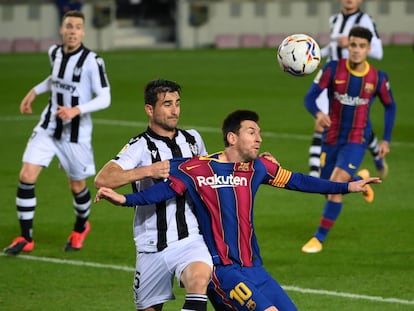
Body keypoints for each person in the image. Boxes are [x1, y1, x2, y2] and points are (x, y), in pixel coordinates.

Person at [95, 109, 381, 311]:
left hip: (255, 268)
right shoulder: (197, 168)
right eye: (251, 132)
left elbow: (299, 181)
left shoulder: (258, 168)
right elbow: (163, 191)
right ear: (232, 138)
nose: (259, 139)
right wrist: (124, 201)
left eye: (259, 133)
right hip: (223, 271)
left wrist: (348, 187)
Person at [94, 79, 213, 311]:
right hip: (151, 246)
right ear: (150, 109)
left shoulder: (193, 140)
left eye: (177, 103)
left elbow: (211, 175)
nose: (175, 110)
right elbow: (103, 178)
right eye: (167, 104)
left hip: (190, 239)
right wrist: (148, 170)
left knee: (199, 281)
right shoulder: (139, 146)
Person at [4, 10, 111, 255]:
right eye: (68, 26)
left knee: (77, 186)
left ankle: (81, 228)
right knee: (27, 175)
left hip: (76, 133)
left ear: (83, 32)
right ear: (61, 29)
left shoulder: (92, 61)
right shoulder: (54, 52)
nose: (72, 31)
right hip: (48, 126)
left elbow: (105, 97)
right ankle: (25, 237)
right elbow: (55, 79)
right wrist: (34, 91)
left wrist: (77, 109)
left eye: (77, 27)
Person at [301, 26, 396, 254]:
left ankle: (318, 238)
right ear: (348, 46)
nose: (356, 50)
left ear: (368, 49)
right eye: (353, 45)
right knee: (326, 187)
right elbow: (309, 97)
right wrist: (318, 113)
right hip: (332, 137)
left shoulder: (377, 78)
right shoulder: (333, 69)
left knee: (334, 190)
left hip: (357, 139)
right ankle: (359, 180)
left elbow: (390, 106)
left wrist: (386, 140)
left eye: (361, 46)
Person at [309, 0, 385, 178]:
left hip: (354, 79)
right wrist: (316, 55)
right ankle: (317, 173)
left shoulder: (365, 20)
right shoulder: (334, 19)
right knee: (323, 123)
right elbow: (333, 47)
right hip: (332, 78)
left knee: (356, 123)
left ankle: (375, 156)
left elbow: (378, 52)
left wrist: (348, 45)